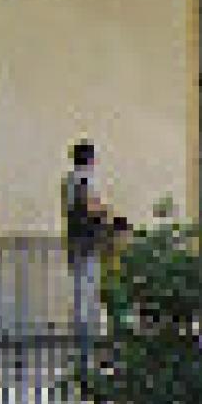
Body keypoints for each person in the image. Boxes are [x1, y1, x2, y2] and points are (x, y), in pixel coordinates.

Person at [62, 139, 113, 342]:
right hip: (87, 239)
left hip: (74, 237)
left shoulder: (68, 180)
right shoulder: (85, 180)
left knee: (78, 284)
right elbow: (90, 206)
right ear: (90, 159)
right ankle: (86, 331)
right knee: (88, 285)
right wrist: (105, 211)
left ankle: (80, 327)